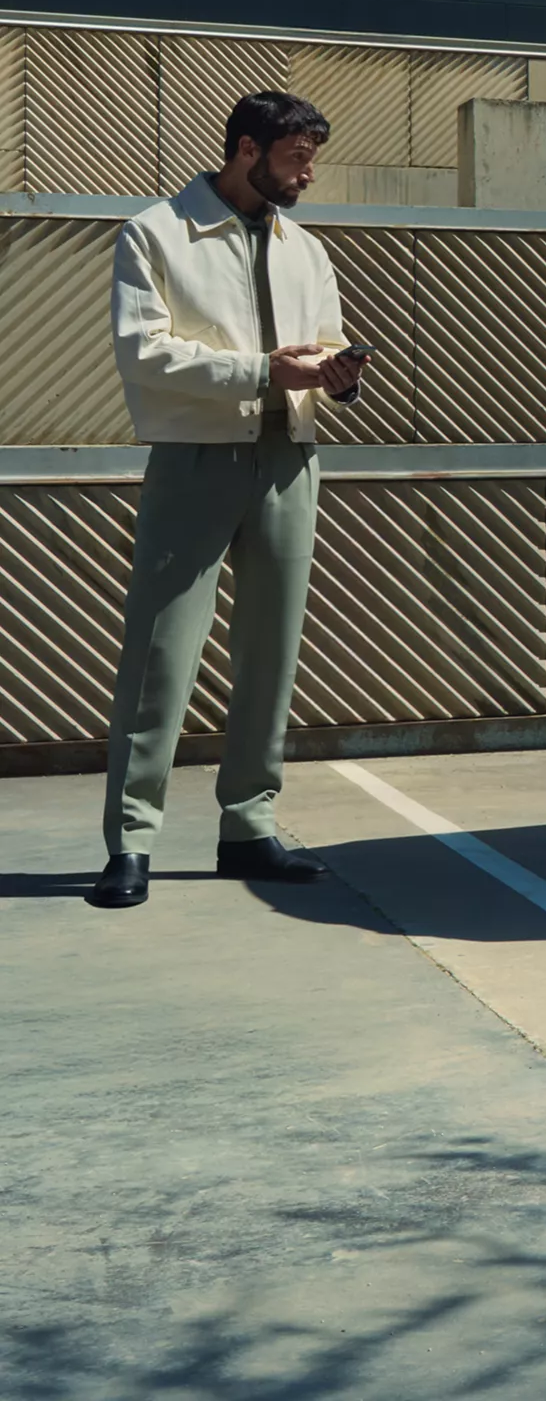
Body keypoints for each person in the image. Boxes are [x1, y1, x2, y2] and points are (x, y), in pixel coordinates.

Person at [87, 93, 366, 909]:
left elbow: (328, 339)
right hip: (194, 461)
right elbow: (144, 354)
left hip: (291, 460)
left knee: (271, 653)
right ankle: (130, 842)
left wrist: (339, 374)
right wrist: (261, 372)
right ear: (247, 149)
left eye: (311, 157)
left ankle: (248, 828)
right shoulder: (155, 233)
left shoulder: (305, 247)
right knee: (160, 657)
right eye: (295, 158)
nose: (308, 173)